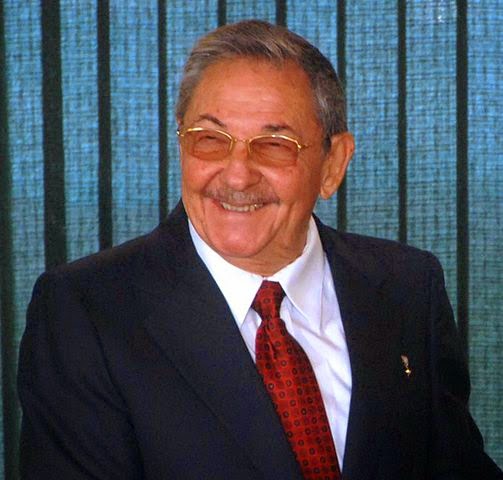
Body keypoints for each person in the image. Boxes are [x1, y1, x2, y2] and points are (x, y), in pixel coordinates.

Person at [17, 19, 502, 480]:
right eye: (210, 140)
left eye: (274, 144)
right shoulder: (87, 313)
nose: (237, 175)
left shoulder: (407, 288)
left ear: (333, 164)